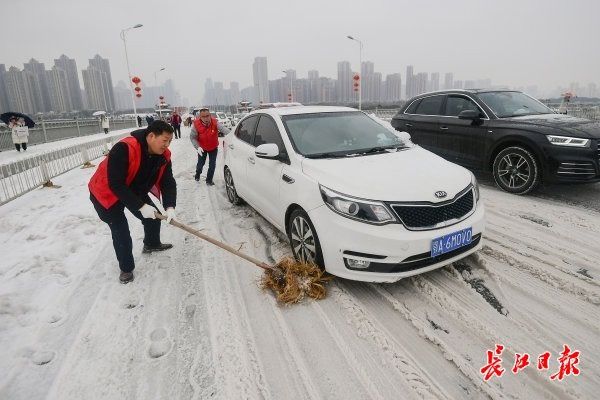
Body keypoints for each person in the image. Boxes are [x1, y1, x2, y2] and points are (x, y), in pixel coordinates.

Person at [88, 120, 177, 284]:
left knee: (153, 216)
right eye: (165, 140)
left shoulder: (163, 155)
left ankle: (151, 243)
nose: (167, 145)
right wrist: (141, 206)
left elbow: (168, 182)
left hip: (134, 188)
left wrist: (170, 206)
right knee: (120, 229)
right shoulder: (124, 148)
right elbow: (115, 184)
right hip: (106, 192)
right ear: (151, 136)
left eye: (170, 141)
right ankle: (126, 268)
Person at [190, 108, 229, 185]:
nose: (206, 118)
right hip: (202, 148)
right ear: (200, 117)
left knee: (212, 164)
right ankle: (197, 174)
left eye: (207, 116)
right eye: (203, 116)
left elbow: (223, 129)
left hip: (213, 147)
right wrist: (198, 147)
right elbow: (192, 137)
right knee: (200, 164)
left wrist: (232, 134)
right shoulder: (196, 125)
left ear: (210, 115)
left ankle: (209, 180)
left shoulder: (215, 122)